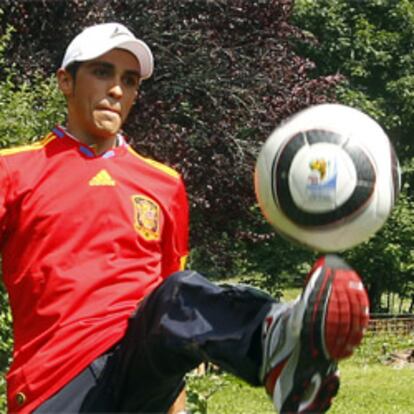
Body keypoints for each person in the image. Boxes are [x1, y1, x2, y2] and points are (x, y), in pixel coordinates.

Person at [0, 22, 369, 414]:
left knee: (179, 292)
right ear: (66, 81)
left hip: (139, 368)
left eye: (130, 80)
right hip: (56, 382)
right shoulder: (14, 172)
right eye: (102, 72)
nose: (116, 90)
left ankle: (275, 343)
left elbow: (175, 312)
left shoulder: (163, 184)